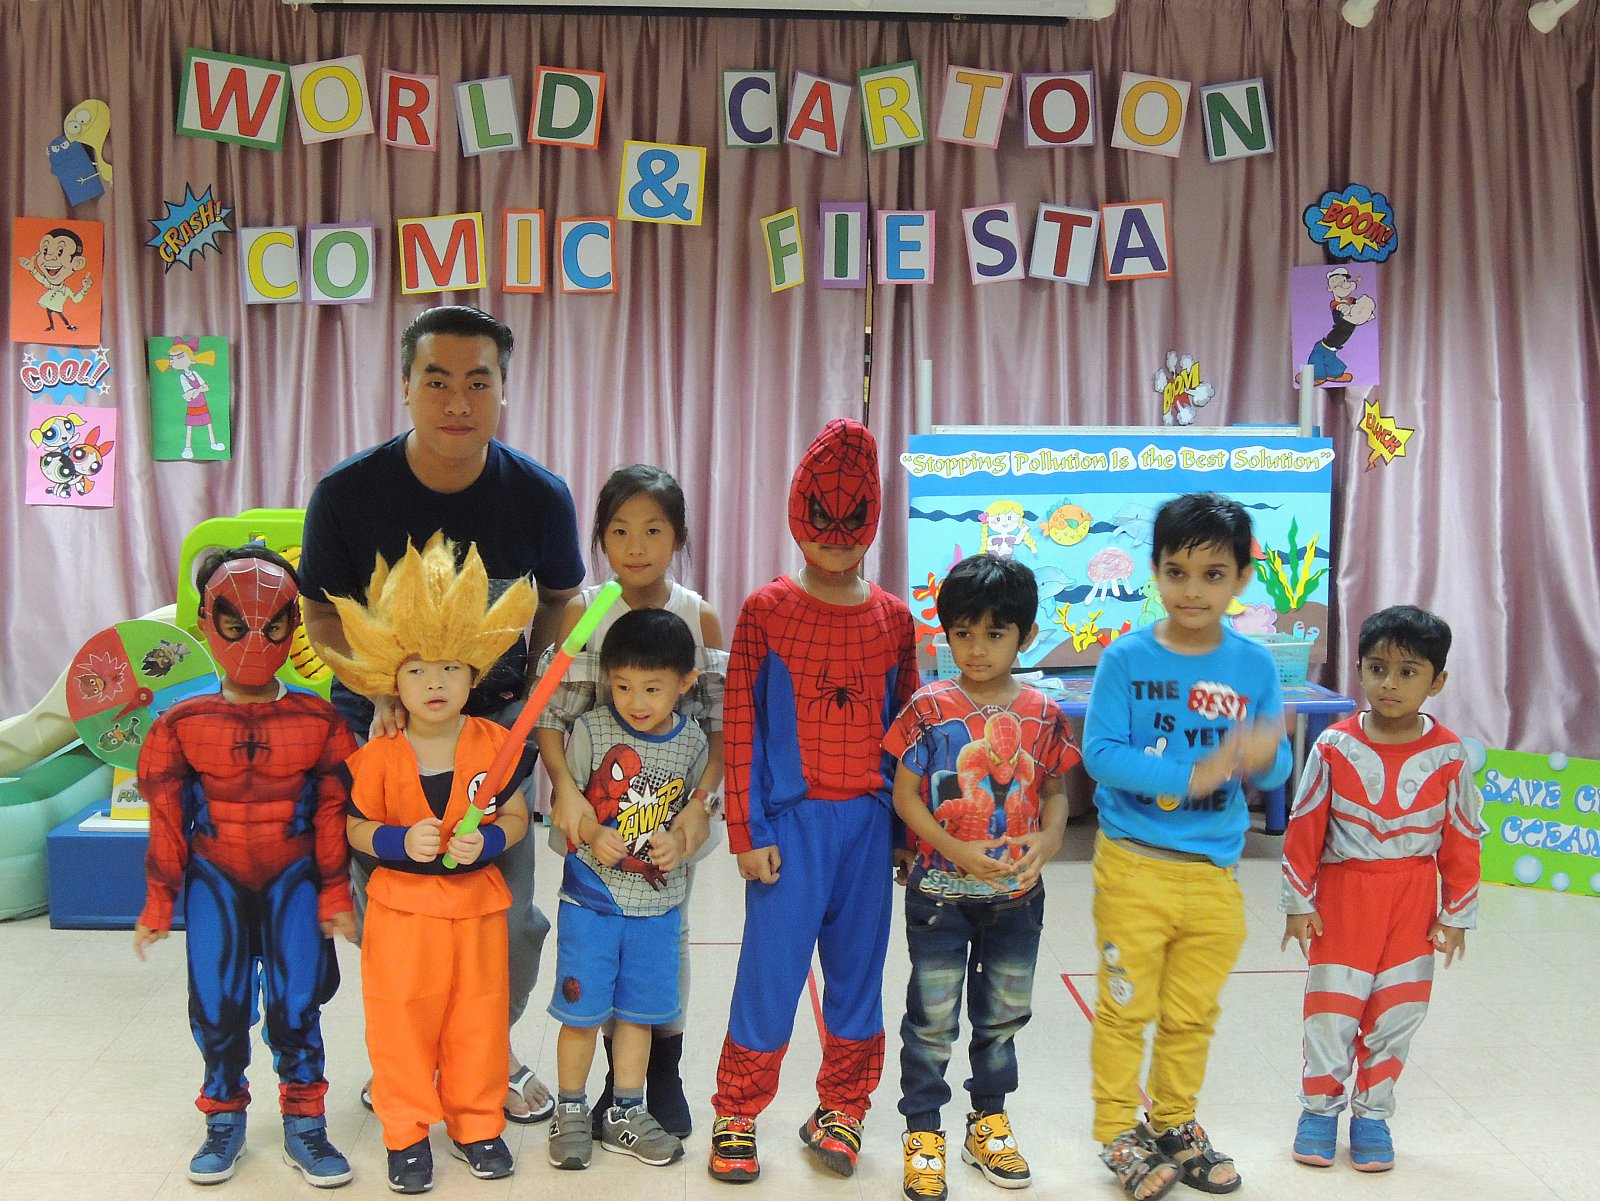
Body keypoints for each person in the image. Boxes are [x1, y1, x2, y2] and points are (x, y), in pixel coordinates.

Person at [300, 304, 585, 1124]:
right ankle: (407, 1057)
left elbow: (562, 596)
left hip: (492, 738)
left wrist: (534, 683)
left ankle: (485, 1052)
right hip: (385, 736)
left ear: (503, 390)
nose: (458, 402)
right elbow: (319, 613)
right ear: (404, 386)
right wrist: (377, 687)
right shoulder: (346, 493)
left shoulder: (539, 495)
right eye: (437, 381)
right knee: (399, 922)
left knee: (509, 916)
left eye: (478, 382)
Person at [707, 418, 919, 1184]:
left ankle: (843, 1106)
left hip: (867, 826)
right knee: (771, 971)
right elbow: (739, 722)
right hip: (788, 828)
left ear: (872, 517)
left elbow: (908, 731)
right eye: (820, 514)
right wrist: (746, 828)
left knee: (859, 972)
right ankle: (737, 1111)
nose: (834, 533)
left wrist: (906, 835)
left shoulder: (895, 619)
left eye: (851, 516)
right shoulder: (765, 609)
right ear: (799, 510)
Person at [1081, 492, 1292, 1200]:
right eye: (1177, 572)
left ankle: (1174, 1121)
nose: (1193, 590)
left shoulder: (1254, 665)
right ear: (1155, 571)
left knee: (1191, 1013)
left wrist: (1265, 754)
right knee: (1125, 1008)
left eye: (1212, 574)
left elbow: (1274, 767)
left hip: (1214, 874)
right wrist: (1189, 775)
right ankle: (1118, 1130)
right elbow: (1100, 753)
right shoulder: (1126, 658)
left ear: (1241, 579)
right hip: (1133, 867)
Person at [134, 546, 357, 1188]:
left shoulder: (320, 720)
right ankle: (223, 1116)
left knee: (297, 1006)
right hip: (216, 879)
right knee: (216, 1008)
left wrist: (334, 895)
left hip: (294, 879)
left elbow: (332, 814)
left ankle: (305, 1122)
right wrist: (158, 902)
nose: (255, 641)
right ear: (208, 622)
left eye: (273, 625)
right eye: (235, 625)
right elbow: (168, 819)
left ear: (293, 626)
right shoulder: (180, 722)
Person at [326, 537, 537, 1193]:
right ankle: (407, 1132)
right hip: (402, 917)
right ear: (392, 681)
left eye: (450, 668)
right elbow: (353, 827)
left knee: (478, 1019)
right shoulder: (379, 754)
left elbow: (516, 816)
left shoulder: (495, 743)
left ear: (475, 675)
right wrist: (395, 842)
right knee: (402, 1023)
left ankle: (477, 1124)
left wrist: (491, 843)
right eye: (417, 670)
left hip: (476, 909)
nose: (436, 683)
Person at [533, 463, 727, 1139]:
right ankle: (594, 1086)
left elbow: (720, 724)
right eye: (618, 531)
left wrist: (701, 803)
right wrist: (565, 792)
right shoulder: (581, 612)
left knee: (666, 937)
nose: (635, 545)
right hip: (593, 824)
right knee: (595, 939)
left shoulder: (698, 613)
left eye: (652, 530)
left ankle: (656, 1075)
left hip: (671, 820)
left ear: (678, 537)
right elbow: (550, 715)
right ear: (600, 538)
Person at [884, 554, 1080, 1201]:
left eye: (994, 633)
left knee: (1002, 1017)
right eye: (963, 632)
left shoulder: (1043, 712)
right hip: (939, 897)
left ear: (1025, 635)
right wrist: (953, 850)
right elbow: (905, 795)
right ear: (946, 633)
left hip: (1016, 900)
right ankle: (923, 1130)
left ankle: (988, 1120)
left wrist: (1051, 837)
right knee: (932, 1018)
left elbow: (1055, 791)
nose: (976, 648)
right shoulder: (928, 707)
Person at [1280, 605, 1483, 1173]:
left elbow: (1462, 839)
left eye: (1408, 672)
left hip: (1413, 900)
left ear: (1436, 681)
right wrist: (1299, 903)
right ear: (1360, 671)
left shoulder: (1450, 755)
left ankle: (1372, 1116)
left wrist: (1455, 914)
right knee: (1332, 1012)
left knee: (1398, 1012)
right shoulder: (1332, 746)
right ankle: (1319, 1112)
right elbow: (1304, 829)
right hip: (1345, 897)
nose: (1390, 683)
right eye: (1377, 669)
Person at [543, 608, 710, 1171]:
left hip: (657, 911)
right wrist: (593, 832)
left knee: (638, 1015)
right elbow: (568, 804)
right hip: (591, 903)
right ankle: (570, 1110)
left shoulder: (694, 745)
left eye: (652, 688)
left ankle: (625, 1112)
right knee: (581, 1014)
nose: (636, 701)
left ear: (685, 682)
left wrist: (677, 843)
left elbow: (693, 820)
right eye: (622, 686)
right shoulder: (593, 730)